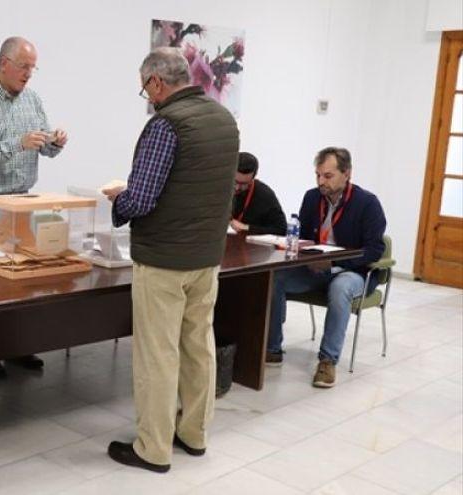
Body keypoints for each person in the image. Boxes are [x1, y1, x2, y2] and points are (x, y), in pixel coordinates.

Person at [103, 47, 239, 473]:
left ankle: (153, 448)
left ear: (157, 82)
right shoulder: (224, 119)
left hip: (163, 261)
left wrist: (117, 201)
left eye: (145, 87)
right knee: (199, 347)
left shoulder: (165, 125)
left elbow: (141, 200)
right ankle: (194, 434)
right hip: (206, 258)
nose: (146, 95)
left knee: (157, 355)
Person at [0, 36, 67, 379]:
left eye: (33, 68)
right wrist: (16, 144)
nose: (29, 75)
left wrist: (55, 142)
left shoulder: (32, 99)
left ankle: (18, 347)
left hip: (24, 202)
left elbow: (43, 147)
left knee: (24, 281)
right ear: (3, 63)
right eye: (24, 67)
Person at [267, 147, 386, 388]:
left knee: (340, 288)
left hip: (354, 272)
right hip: (317, 268)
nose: (321, 182)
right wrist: (302, 253)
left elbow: (374, 250)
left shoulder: (367, 203)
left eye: (328, 176)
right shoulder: (312, 198)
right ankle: (271, 348)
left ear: (347, 173)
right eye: (318, 175)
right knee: (275, 278)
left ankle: (327, 361)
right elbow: (304, 237)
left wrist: (335, 262)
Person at [229, 152, 287, 235]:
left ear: (254, 177)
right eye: (235, 182)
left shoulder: (265, 195)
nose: (237, 187)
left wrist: (247, 228)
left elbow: (281, 229)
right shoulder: (217, 188)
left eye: (244, 184)